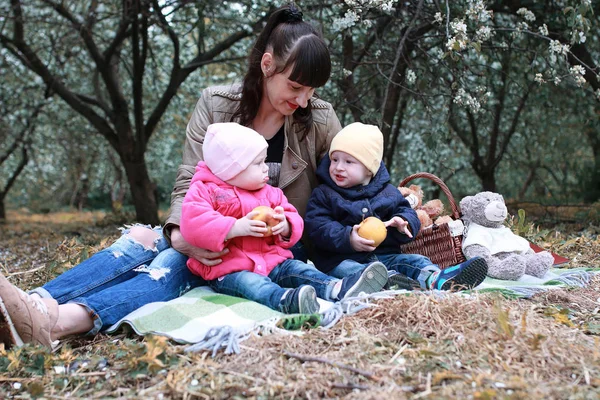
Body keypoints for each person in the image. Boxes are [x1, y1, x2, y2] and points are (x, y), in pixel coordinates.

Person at [0, 3, 342, 349]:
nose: (303, 100)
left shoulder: (320, 119)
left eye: (311, 91)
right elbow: (188, 183)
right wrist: (180, 233)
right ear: (268, 65)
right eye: (296, 87)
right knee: (144, 237)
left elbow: (347, 184)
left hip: (266, 248)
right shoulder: (216, 104)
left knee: (171, 262)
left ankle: (56, 321)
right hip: (211, 230)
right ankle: (32, 305)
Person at [180, 122, 387, 314]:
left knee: (299, 269)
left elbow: (292, 215)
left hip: (273, 260)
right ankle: (285, 300)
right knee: (252, 285)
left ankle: (337, 288)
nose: (266, 168)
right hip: (230, 268)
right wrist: (234, 227)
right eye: (258, 163)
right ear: (233, 168)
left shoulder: (270, 192)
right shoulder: (205, 191)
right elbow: (192, 223)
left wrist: (285, 225)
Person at [305, 122, 489, 291]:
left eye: (348, 162)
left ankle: (437, 278)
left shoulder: (388, 193)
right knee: (350, 270)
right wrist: (348, 238)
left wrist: (404, 223)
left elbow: (407, 211)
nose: (338, 167)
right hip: (341, 259)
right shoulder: (324, 194)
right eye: (334, 159)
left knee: (414, 260)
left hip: (386, 256)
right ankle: (388, 282)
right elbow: (317, 225)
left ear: (369, 168)